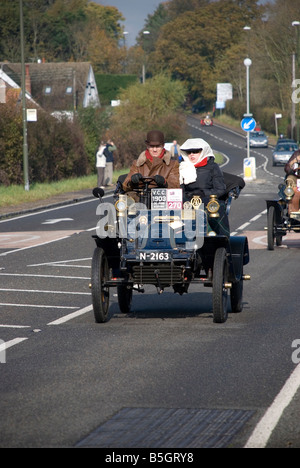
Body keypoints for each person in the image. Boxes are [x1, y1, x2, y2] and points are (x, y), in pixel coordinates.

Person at [179, 138, 230, 236]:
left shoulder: (213, 167)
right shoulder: (182, 167)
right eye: (189, 152)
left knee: (215, 210)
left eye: (195, 151)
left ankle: (219, 237)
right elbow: (179, 190)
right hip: (188, 201)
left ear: (203, 152)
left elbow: (220, 189)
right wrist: (187, 196)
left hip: (209, 201)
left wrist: (204, 194)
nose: (192, 155)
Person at [284, 149, 300, 213]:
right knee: (290, 179)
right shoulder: (296, 154)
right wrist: (291, 170)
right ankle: (293, 210)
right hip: (296, 177)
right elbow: (288, 166)